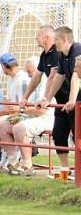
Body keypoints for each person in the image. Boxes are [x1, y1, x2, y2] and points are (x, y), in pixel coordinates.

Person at [36, 26, 79, 175]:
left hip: (77, 101)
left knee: (78, 136)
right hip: (64, 102)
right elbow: (58, 77)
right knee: (59, 133)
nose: (54, 43)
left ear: (65, 40)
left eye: (56, 40)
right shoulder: (62, 55)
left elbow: (76, 76)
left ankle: (79, 170)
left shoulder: (77, 51)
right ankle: (65, 169)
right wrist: (47, 98)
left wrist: (72, 100)